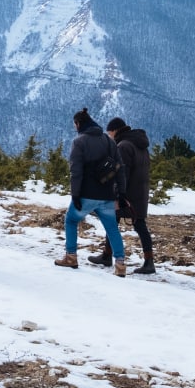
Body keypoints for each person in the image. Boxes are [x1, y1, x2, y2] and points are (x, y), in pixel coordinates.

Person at [54, 107, 127, 276]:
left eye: (75, 124)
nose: (75, 127)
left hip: (87, 194)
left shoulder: (79, 142)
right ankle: (121, 265)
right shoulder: (109, 141)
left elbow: (76, 171)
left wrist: (75, 194)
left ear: (79, 124)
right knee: (112, 229)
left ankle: (71, 256)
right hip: (107, 194)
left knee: (71, 220)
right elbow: (120, 169)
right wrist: (121, 193)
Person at [89, 117, 155, 274]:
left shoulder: (123, 146)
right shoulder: (140, 145)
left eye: (110, 132)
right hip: (140, 191)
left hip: (127, 194)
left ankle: (147, 262)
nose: (109, 136)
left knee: (124, 223)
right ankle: (145, 259)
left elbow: (121, 173)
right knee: (135, 223)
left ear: (115, 130)